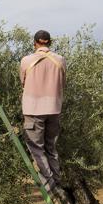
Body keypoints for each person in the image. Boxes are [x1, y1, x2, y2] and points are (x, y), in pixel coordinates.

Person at [20, 30, 66, 192]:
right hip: (54, 109)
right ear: (50, 43)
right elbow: (63, 83)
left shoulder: (26, 60)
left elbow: (23, 82)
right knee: (51, 148)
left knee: (37, 148)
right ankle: (57, 179)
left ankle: (49, 184)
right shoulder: (60, 60)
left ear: (35, 43)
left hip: (33, 110)